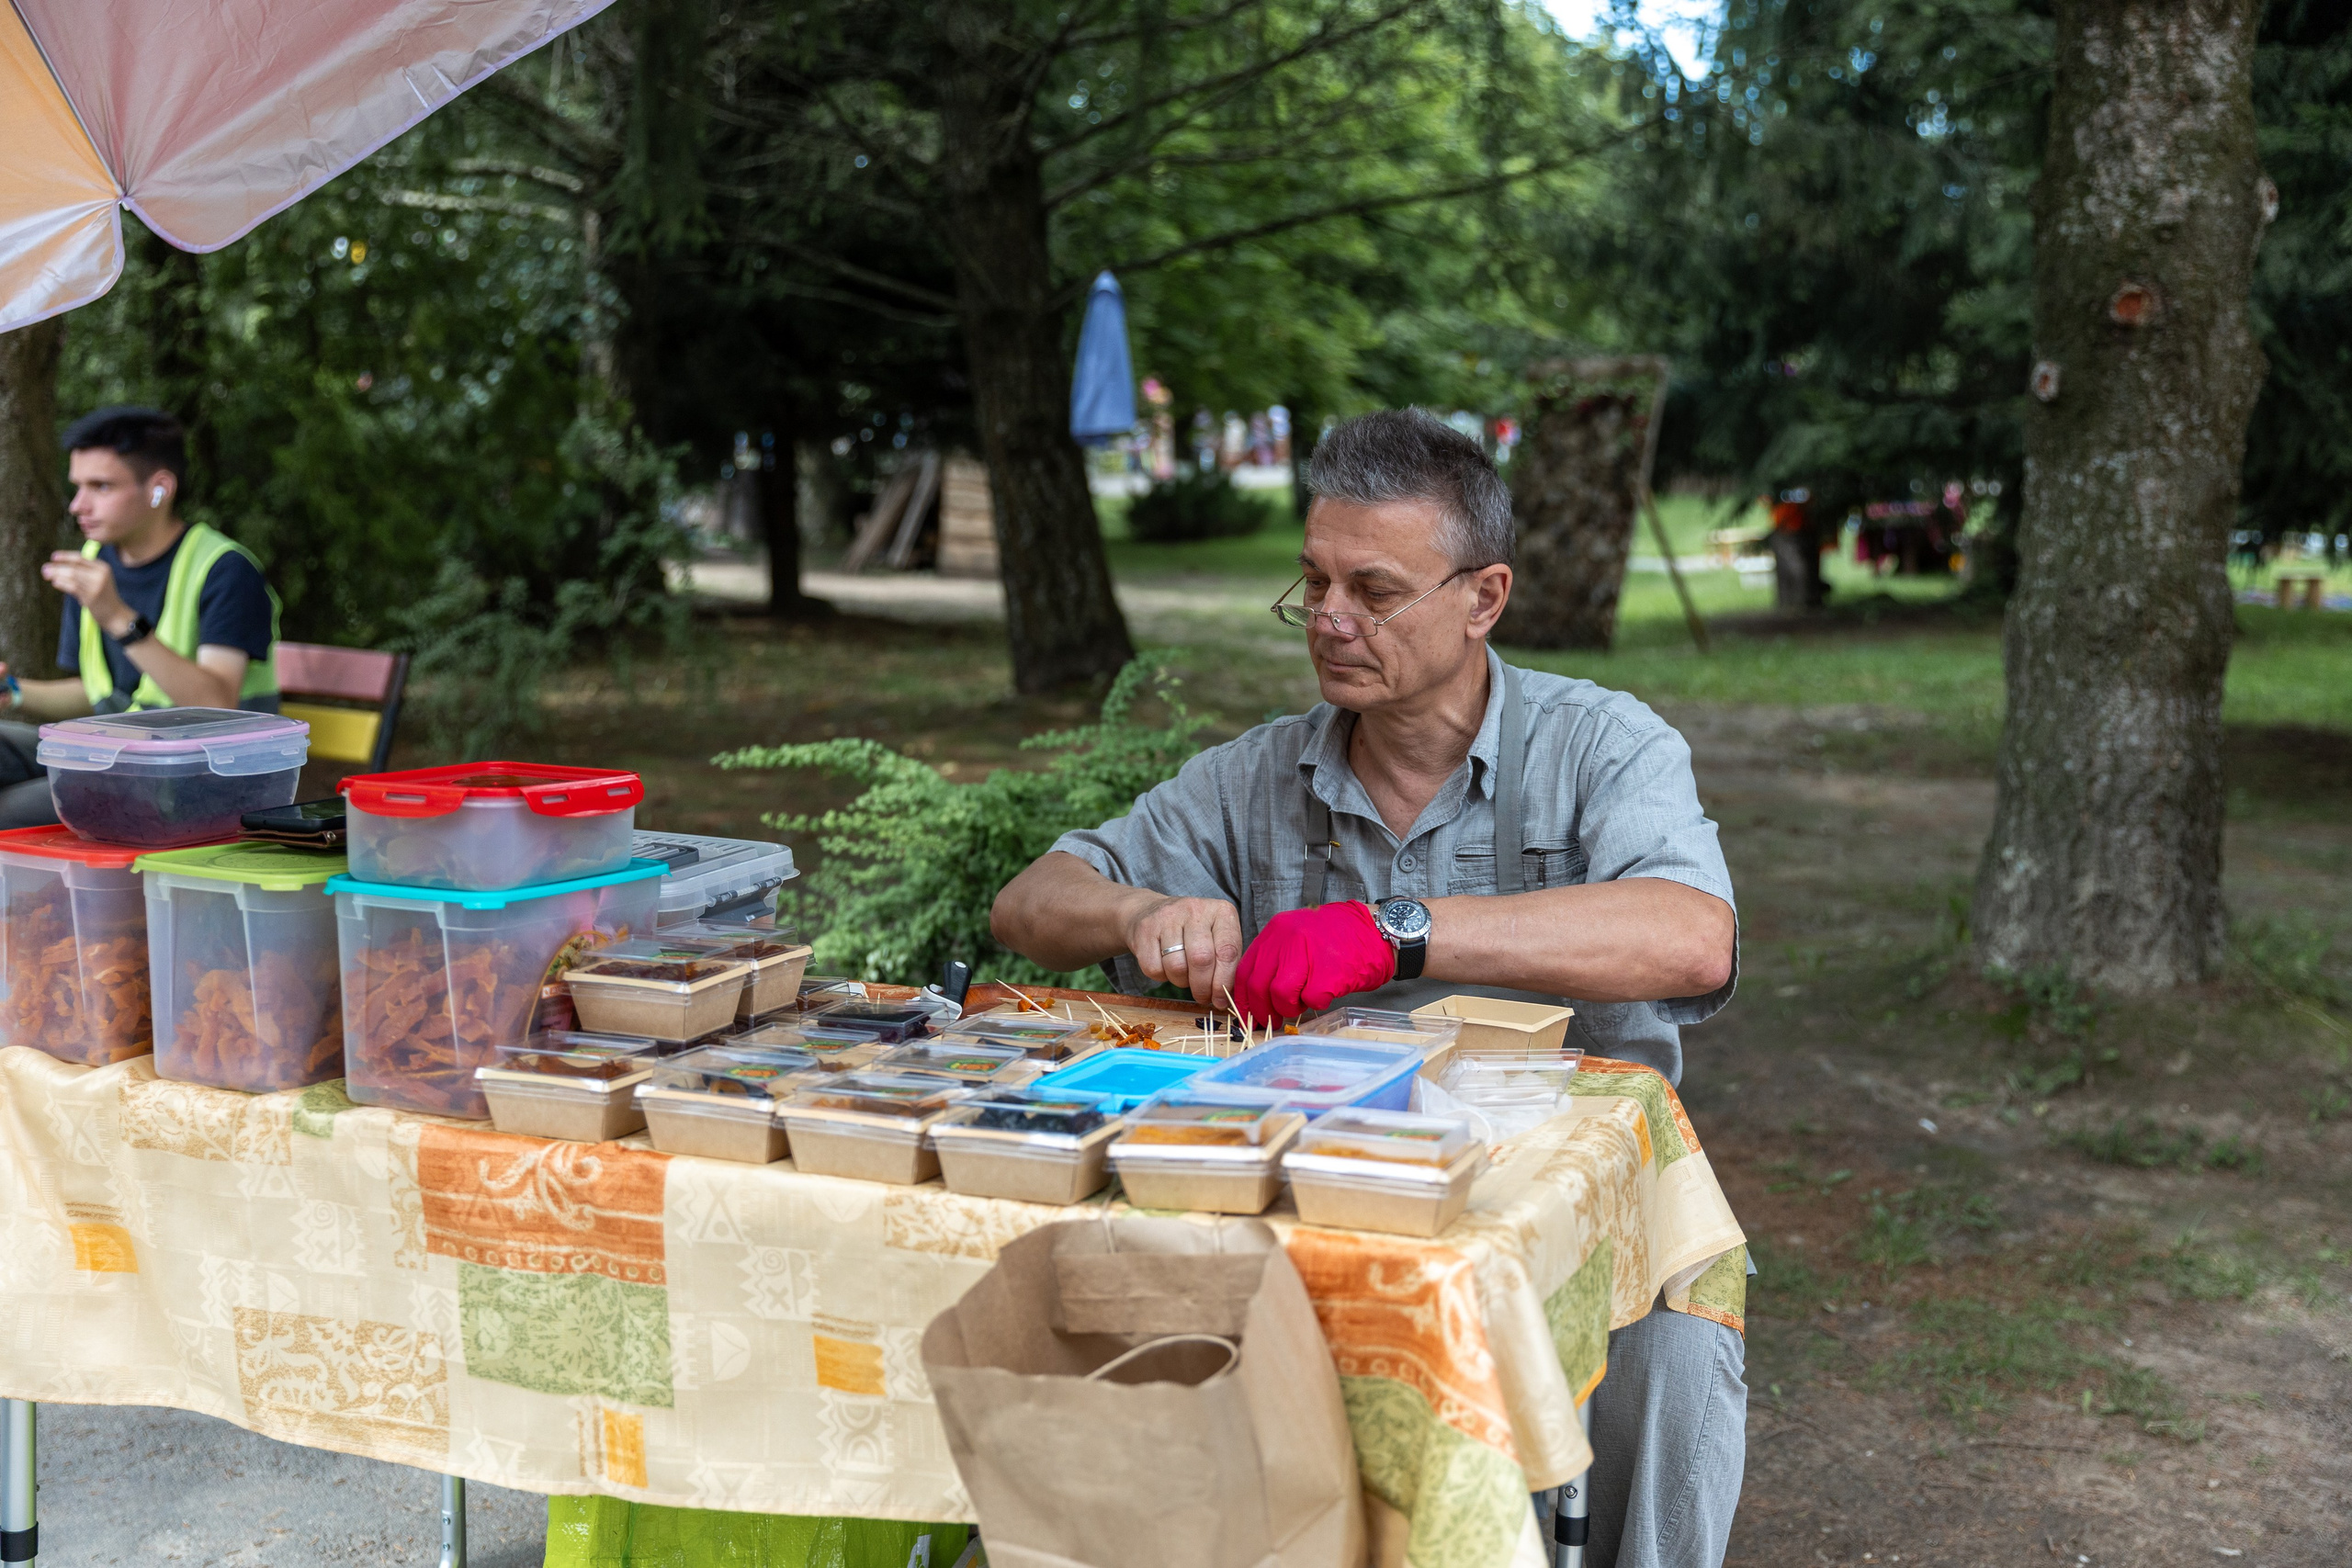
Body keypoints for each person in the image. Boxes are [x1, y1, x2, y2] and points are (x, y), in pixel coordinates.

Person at [991, 408, 1745, 1568]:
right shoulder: (1253, 778)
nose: (1332, 622)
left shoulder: (1603, 746)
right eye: (1313, 584)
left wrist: (1399, 931)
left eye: (1375, 592)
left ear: (1482, 598)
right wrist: (1137, 911)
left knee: (1670, 1336)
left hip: (1561, 1204)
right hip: (1314, 1202)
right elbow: (1030, 903)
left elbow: (1691, 940)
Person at [0, 406, 281, 828]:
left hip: (203, 776)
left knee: (13, 811)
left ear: (158, 489)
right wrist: (13, 691)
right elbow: (96, 692)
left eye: (101, 486)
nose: (78, 505)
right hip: (116, 755)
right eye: (77, 486)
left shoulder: (226, 570)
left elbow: (219, 707)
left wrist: (118, 618)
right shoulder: (96, 561)